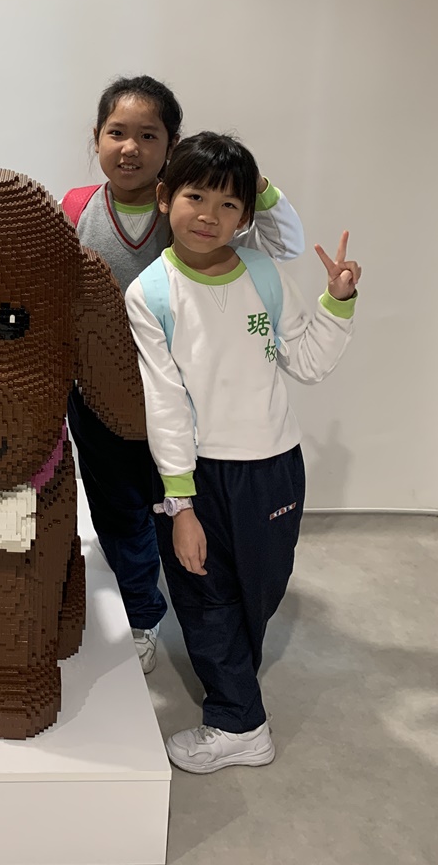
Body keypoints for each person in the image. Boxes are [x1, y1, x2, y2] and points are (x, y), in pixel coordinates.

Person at [126, 132, 359, 773]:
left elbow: (306, 362)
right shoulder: (150, 293)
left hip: (275, 467)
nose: (209, 215)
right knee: (204, 595)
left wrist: (337, 303)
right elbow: (164, 403)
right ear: (166, 197)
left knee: (259, 590)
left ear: (246, 216)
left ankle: (234, 691)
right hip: (198, 475)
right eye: (195, 197)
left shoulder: (263, 273)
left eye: (228, 204)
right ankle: (240, 723)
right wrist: (181, 506)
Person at [61, 77, 304, 673]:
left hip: (185, 403)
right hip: (98, 401)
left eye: (149, 136)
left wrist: (253, 181)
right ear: (96, 137)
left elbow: (284, 242)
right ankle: (142, 613)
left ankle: (207, 618)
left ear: (171, 146)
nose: (130, 148)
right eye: (117, 133)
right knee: (119, 511)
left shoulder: (191, 207)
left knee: (176, 508)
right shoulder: (75, 207)